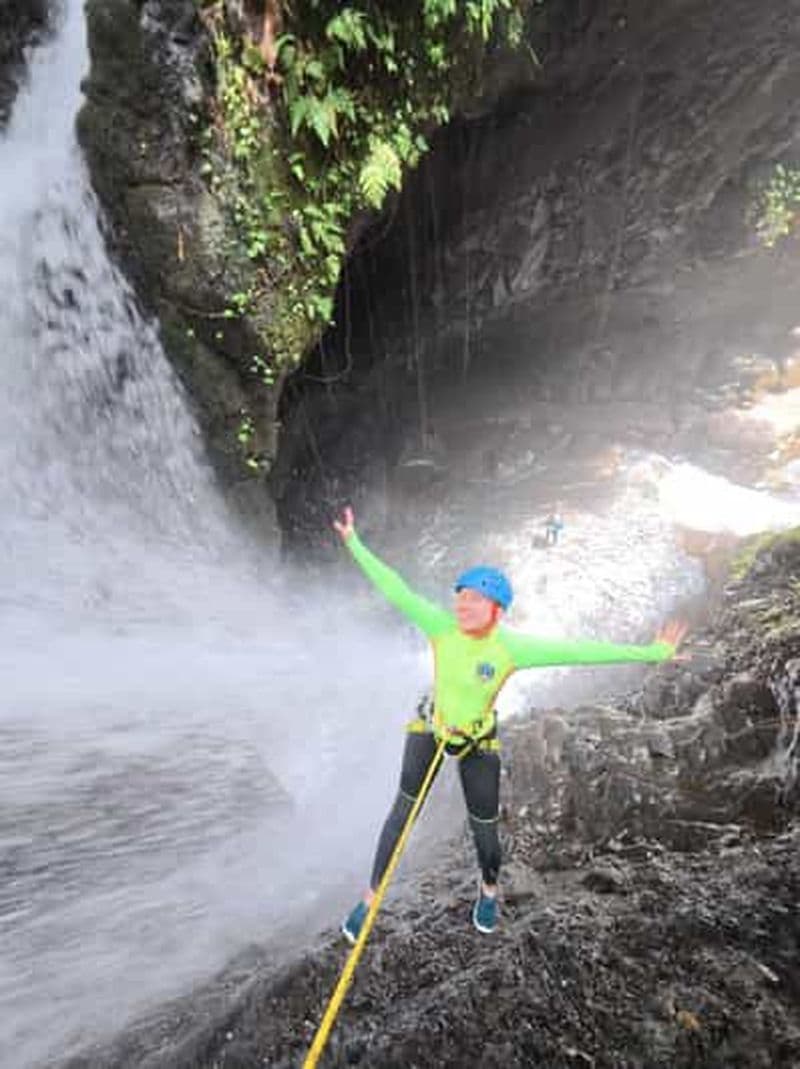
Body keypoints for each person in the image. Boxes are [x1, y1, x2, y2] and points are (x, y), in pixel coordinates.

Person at [333, 507, 686, 938]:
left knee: (484, 830)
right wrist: (354, 542)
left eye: (474, 600)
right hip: (431, 725)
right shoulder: (440, 627)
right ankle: (370, 901)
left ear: (497, 611)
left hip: (478, 740)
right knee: (401, 814)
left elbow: (580, 651)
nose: (462, 606)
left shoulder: (513, 648)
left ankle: (488, 889)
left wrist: (653, 654)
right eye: (460, 597)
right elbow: (395, 589)